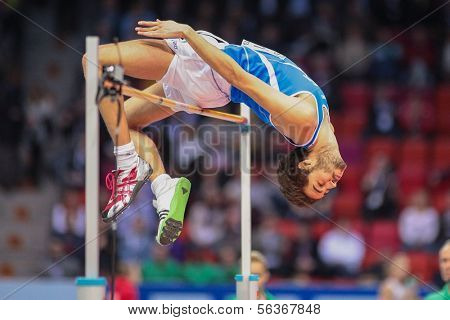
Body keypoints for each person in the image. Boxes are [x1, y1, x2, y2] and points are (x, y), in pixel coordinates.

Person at [82, 19, 347, 245]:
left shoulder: (304, 120)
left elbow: (238, 76)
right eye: (327, 187)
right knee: (123, 122)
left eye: (320, 184)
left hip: (208, 72)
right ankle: (163, 187)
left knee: (94, 58)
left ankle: (128, 164)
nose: (332, 183)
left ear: (307, 163)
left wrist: (187, 32)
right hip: (209, 80)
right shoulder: (325, 129)